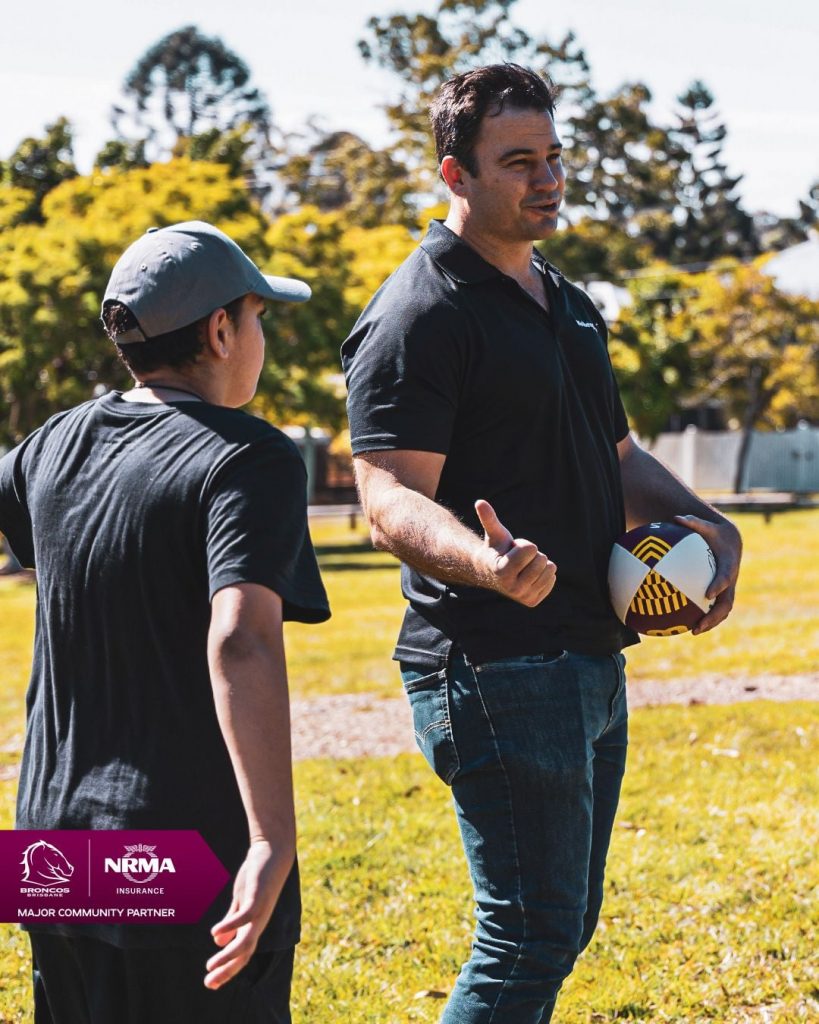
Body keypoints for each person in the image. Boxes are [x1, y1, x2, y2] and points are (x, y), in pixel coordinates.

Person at [342, 64, 742, 1023]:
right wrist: (483, 561)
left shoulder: (565, 300)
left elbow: (616, 456)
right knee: (526, 935)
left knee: (560, 924)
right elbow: (387, 492)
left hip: (585, 652)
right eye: (517, 161)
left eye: (554, 157)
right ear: (455, 174)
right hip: (492, 663)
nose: (547, 178)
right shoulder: (419, 313)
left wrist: (709, 520)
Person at [0, 221, 330, 1023]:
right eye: (257, 317)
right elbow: (241, 636)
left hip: (54, 848)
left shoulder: (49, 446)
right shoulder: (248, 458)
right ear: (221, 330)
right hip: (181, 850)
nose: (260, 338)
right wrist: (269, 841)